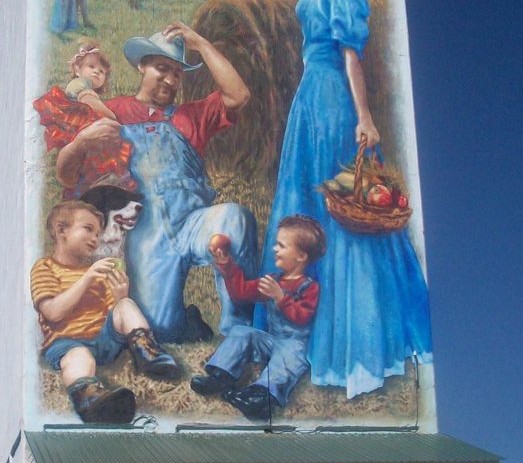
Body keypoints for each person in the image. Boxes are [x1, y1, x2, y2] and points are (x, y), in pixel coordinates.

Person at [261, 0, 432, 397]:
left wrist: (363, 115)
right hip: (311, 98)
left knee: (343, 211)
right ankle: (303, 330)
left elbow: (351, 56)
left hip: (335, 96)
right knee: (312, 200)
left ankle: (353, 338)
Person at [55, 22, 258, 343]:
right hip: (146, 232)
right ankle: (186, 321)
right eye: (162, 68)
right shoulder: (112, 111)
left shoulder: (192, 115)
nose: (171, 79)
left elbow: (239, 94)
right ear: (142, 66)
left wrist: (201, 42)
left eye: (177, 73)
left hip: (194, 221)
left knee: (235, 219)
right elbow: (66, 175)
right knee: (160, 328)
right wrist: (80, 142)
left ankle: (241, 331)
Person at [31, 201, 180, 423]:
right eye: (88, 229)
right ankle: (89, 399)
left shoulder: (96, 271)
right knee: (78, 358)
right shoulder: (45, 267)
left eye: (98, 233)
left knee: (126, 306)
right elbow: (52, 312)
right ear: (61, 231)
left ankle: (147, 352)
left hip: (103, 338)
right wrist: (87, 278)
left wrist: (121, 295)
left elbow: (113, 312)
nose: (95, 238)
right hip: (66, 342)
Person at [193, 215, 326, 420]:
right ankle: (221, 376)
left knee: (286, 359)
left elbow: (301, 317)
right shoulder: (272, 280)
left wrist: (280, 297)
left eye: (281, 246)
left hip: (295, 346)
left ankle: (260, 396)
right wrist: (227, 265)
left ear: (300, 256)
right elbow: (241, 294)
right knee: (241, 332)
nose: (275, 249)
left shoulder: (310, 287)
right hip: (273, 341)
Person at [33, 41, 133, 197]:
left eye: (102, 71)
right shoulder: (79, 86)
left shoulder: (87, 89)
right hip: (79, 126)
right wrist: (112, 119)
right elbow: (96, 107)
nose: (97, 72)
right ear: (77, 69)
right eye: (91, 67)